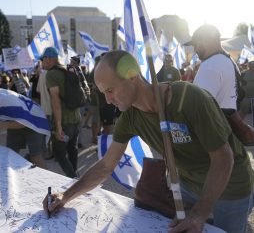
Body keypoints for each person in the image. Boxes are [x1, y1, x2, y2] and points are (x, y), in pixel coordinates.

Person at [43, 50, 254, 233]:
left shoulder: (188, 98)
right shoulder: (130, 118)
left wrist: (199, 213)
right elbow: (106, 165)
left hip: (230, 186)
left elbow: (223, 159)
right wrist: (66, 196)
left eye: (110, 90)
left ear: (132, 76)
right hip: (188, 185)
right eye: (103, 93)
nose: (108, 100)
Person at [191, 24, 254, 145]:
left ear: (208, 40)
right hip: (225, 132)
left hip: (214, 134)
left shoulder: (212, 65)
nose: (195, 49)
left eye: (196, 44)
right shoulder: (224, 59)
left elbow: (199, 105)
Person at [41, 47, 81, 178]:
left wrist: (58, 126)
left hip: (64, 120)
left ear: (49, 59)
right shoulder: (66, 70)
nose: (41, 62)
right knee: (72, 149)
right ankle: (74, 177)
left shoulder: (52, 74)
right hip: (76, 117)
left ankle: (73, 178)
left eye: (42, 59)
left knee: (58, 153)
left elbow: (56, 101)